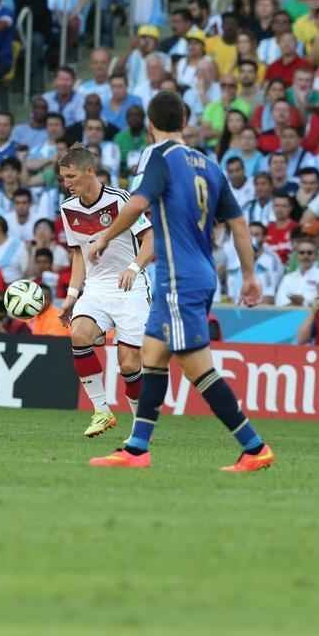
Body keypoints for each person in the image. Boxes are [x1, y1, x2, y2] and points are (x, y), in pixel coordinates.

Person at [86, 91, 272, 472]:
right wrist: (249, 274)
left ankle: (254, 447)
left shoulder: (159, 156)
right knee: (152, 356)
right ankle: (137, 449)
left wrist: (104, 237)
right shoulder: (209, 165)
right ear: (185, 122)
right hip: (200, 273)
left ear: (150, 125)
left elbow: (137, 204)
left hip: (179, 278)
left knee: (196, 367)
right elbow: (238, 224)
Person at [57, 144, 155, 438]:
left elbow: (150, 240)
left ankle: (141, 429)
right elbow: (79, 255)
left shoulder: (121, 200)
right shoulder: (68, 208)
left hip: (131, 286)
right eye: (63, 178)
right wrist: (71, 297)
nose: (67, 184)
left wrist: (134, 268)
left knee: (128, 364)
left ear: (90, 171)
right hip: (97, 287)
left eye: (71, 177)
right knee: (78, 335)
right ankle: (102, 411)